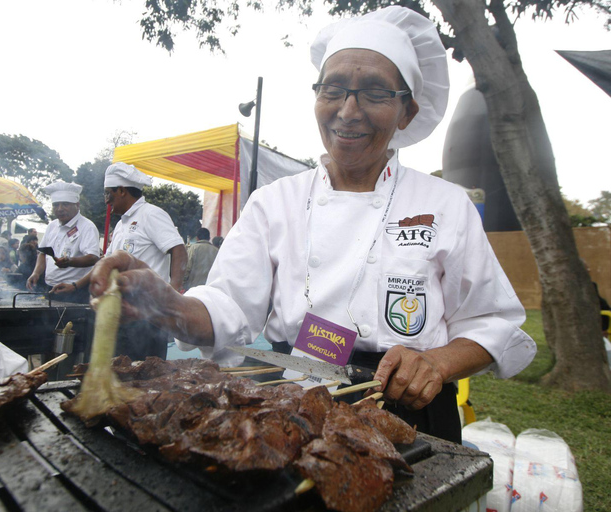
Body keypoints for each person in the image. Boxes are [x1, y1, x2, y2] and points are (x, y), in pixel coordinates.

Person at [87, 7, 537, 444]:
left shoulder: (446, 205)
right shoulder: (273, 203)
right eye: (333, 89)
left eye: (375, 92)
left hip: (409, 412)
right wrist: (165, 302)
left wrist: (436, 363)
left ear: (407, 113)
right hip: (296, 401)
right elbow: (229, 306)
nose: (348, 110)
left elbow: (491, 319)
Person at [56, 162, 187, 360]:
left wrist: (173, 292)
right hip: (122, 308)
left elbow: (178, 249)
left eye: (109, 194)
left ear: (122, 191)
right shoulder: (121, 225)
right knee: (120, 366)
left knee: (146, 371)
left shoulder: (151, 214)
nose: (106, 200)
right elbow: (107, 263)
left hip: (148, 309)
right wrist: (75, 286)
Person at [26, 181, 100, 303]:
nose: (59, 209)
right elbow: (43, 253)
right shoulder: (52, 226)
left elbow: (93, 258)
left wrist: (70, 262)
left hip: (75, 290)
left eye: (65, 204)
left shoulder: (87, 227)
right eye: (56, 205)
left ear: (77, 205)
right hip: (50, 287)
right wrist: (36, 273)